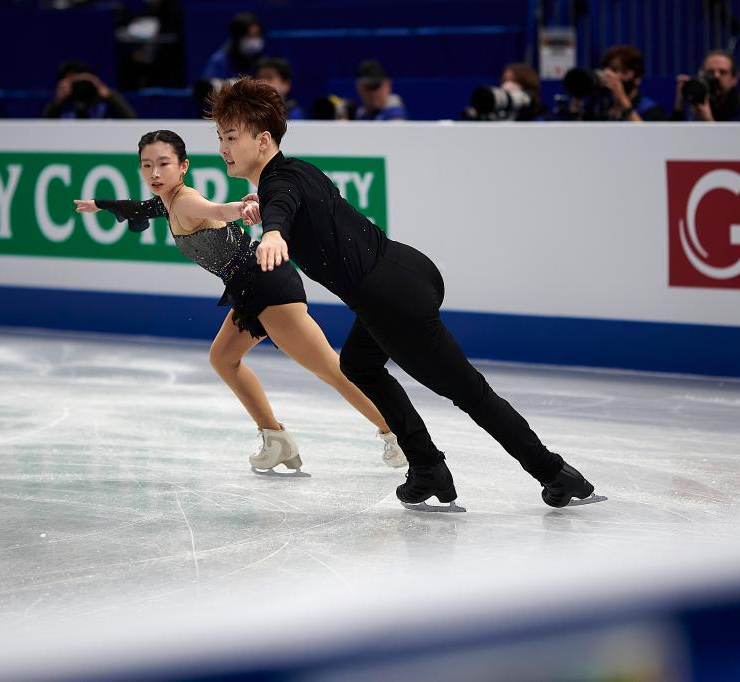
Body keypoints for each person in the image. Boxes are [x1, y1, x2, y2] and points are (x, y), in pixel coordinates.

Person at [211, 78, 601, 510]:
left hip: (390, 300)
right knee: (359, 364)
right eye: (220, 137)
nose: (223, 147)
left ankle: (553, 473)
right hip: (408, 270)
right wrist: (267, 214)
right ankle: (427, 467)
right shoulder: (296, 169)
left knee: (470, 393)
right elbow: (293, 202)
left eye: (232, 136)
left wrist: (273, 233)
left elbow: (283, 206)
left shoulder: (279, 186)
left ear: (262, 140)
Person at [73, 130, 407, 474]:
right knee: (223, 358)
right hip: (250, 287)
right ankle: (275, 439)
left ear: (183, 166)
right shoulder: (167, 202)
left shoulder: (186, 201)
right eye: (147, 165)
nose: (155, 173)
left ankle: (400, 434)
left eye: (163, 164)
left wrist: (244, 207)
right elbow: (140, 207)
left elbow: (218, 208)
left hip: (266, 284)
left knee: (330, 369)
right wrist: (100, 204)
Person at [672, 50, 740, 122]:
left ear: (734, 79)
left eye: (723, 72)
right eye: (710, 72)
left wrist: (708, 122)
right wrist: (679, 105)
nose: (716, 76)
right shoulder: (695, 103)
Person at [44, 60, 137, 120]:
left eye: (79, 80)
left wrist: (109, 95)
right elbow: (44, 128)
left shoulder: (103, 101)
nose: (76, 85)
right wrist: (57, 102)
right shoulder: (62, 104)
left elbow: (130, 120)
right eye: (71, 81)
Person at [599, 44, 666, 121]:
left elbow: (646, 132)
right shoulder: (601, 108)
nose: (612, 76)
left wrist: (622, 99)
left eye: (616, 70)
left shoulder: (652, 111)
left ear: (637, 78)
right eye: (609, 70)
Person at [202, 12, 264, 80]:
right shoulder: (219, 61)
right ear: (237, 37)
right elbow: (210, 87)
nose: (254, 40)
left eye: (257, 35)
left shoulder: (263, 58)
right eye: (249, 36)